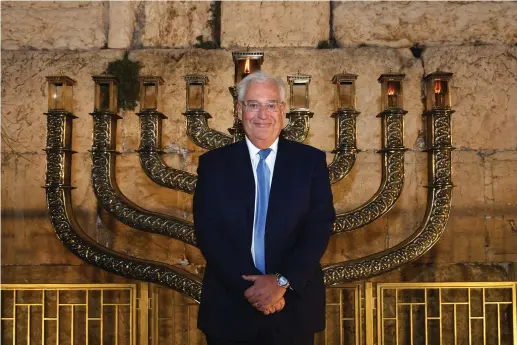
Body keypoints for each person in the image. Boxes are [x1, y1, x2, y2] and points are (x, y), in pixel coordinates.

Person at [193, 71, 336, 345]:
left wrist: (281, 282)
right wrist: (255, 289)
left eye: (271, 105)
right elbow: (209, 233)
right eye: (253, 104)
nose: (262, 114)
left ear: (283, 111)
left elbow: (318, 228)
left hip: (293, 307)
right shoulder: (213, 165)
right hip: (230, 307)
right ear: (238, 110)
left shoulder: (310, 162)